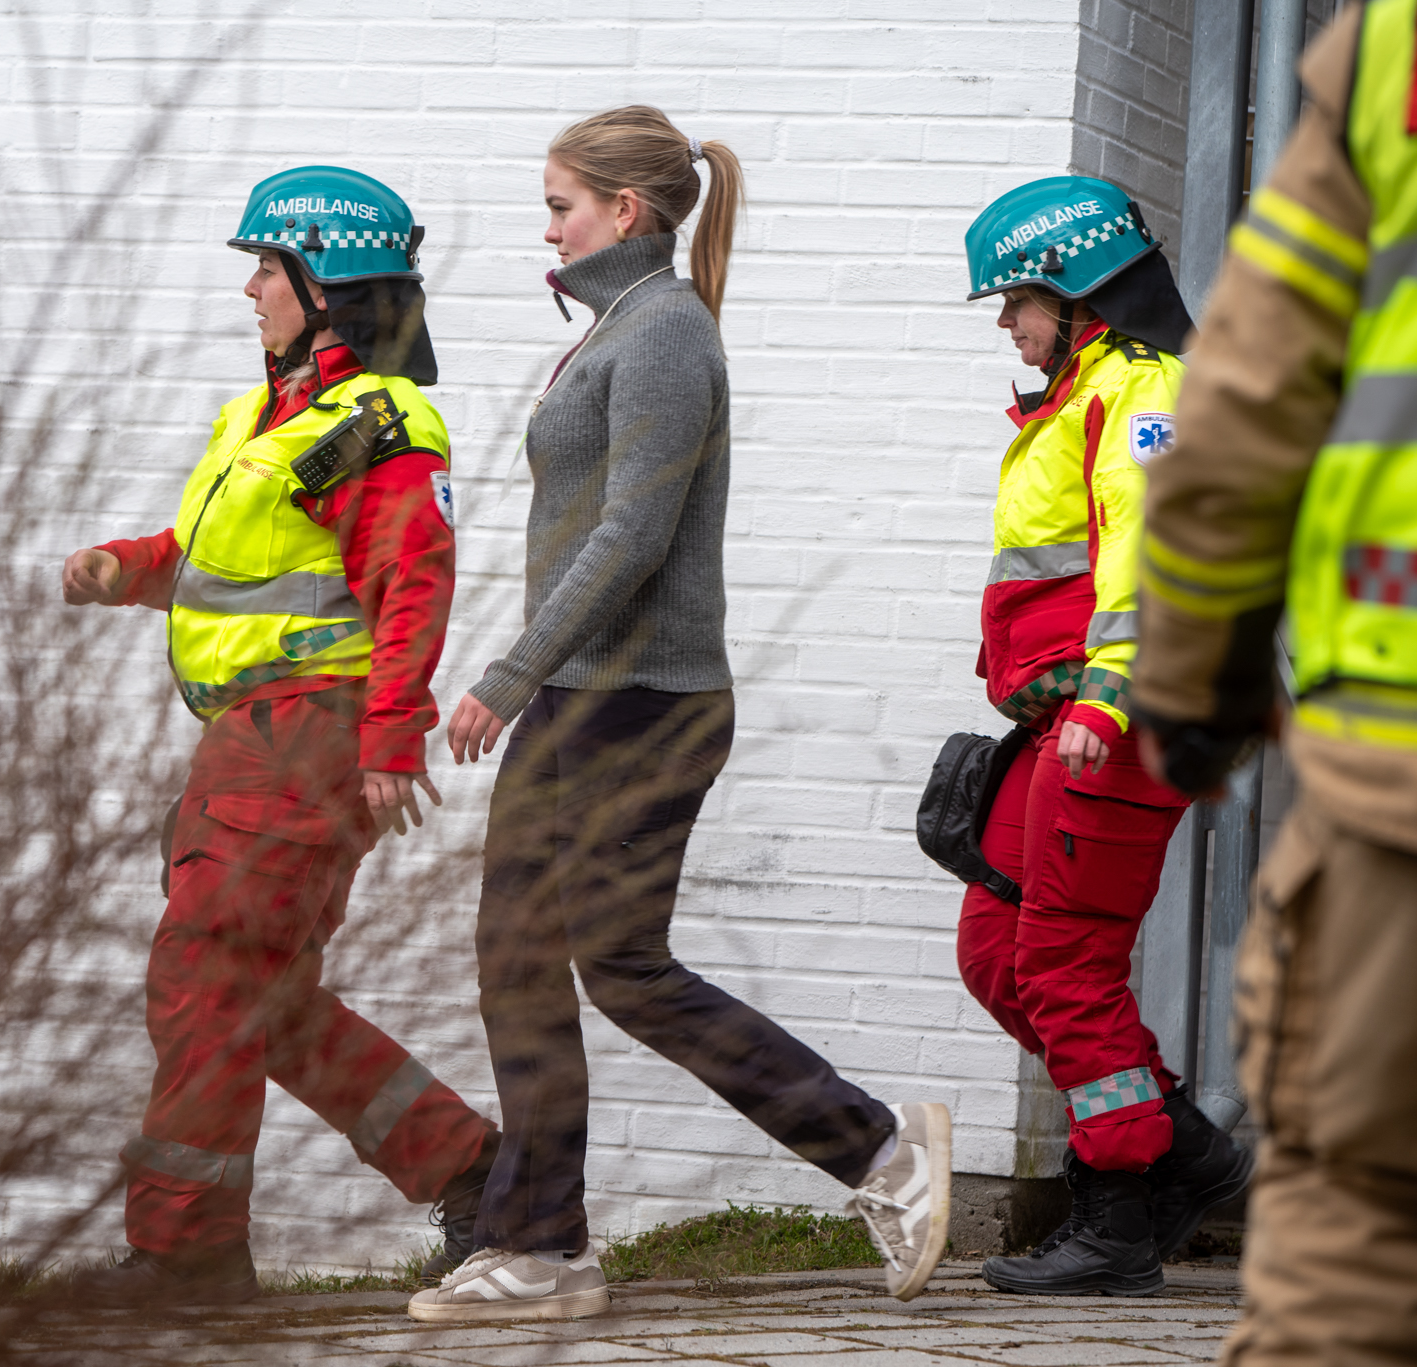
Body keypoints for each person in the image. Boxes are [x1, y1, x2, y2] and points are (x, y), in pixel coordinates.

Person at [405, 106, 952, 1325]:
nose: (544, 225)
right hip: (589, 699)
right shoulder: (624, 323)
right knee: (526, 958)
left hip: (634, 704)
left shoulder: (661, 334)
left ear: (623, 211)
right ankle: (543, 1240)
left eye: (559, 205)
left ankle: (877, 1151)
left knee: (622, 968)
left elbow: (631, 535)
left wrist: (508, 668)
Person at [62, 165, 501, 1307]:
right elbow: (214, 559)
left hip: (300, 737)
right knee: (258, 996)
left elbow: (412, 578)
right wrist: (126, 567)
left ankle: (187, 1254)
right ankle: (472, 1170)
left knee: (206, 980)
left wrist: (390, 735)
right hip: (250, 744)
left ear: (327, 282)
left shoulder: (370, 421)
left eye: (267, 266)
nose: (250, 288)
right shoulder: (270, 416)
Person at [1130, 3, 1417, 1360]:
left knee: (1359, 1227)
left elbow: (1245, 397)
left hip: (1396, 767)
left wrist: (1190, 678)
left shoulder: (1392, 53)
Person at [950, 176, 1252, 1297]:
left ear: (1076, 292)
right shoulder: (1072, 395)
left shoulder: (1145, 395)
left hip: (1122, 714)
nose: (1003, 322)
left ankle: (1118, 1213)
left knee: (1065, 964)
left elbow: (1151, 553)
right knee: (996, 951)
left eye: (1015, 298)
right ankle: (1181, 1147)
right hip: (1062, 719)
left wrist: (1104, 693)